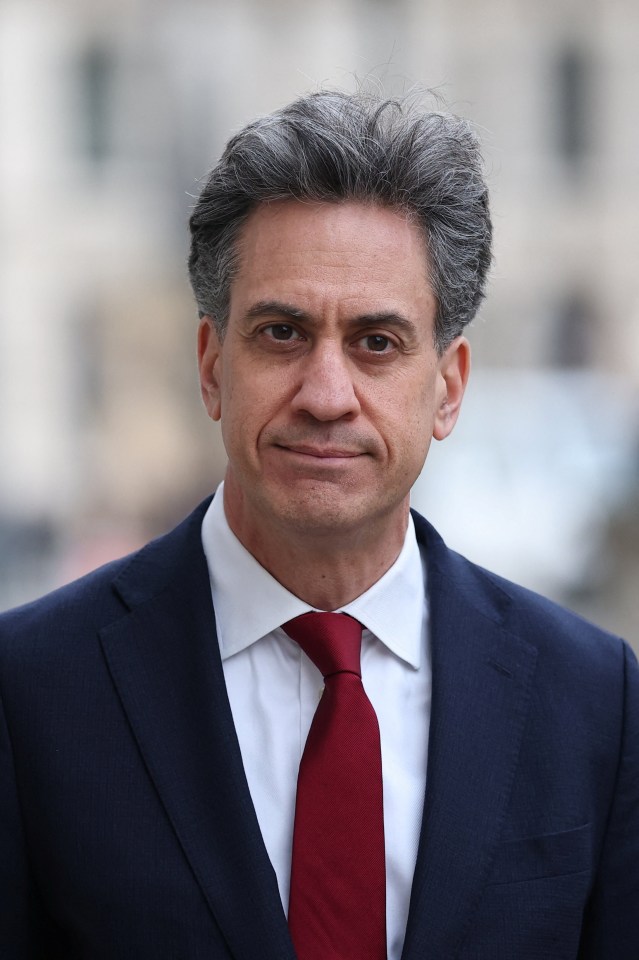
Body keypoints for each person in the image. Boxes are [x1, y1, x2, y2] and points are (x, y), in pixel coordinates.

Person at [0, 90, 637, 960]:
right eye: (281, 333)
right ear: (211, 366)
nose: (327, 395)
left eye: (376, 343)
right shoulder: (29, 692)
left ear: (447, 387)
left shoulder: (594, 701)